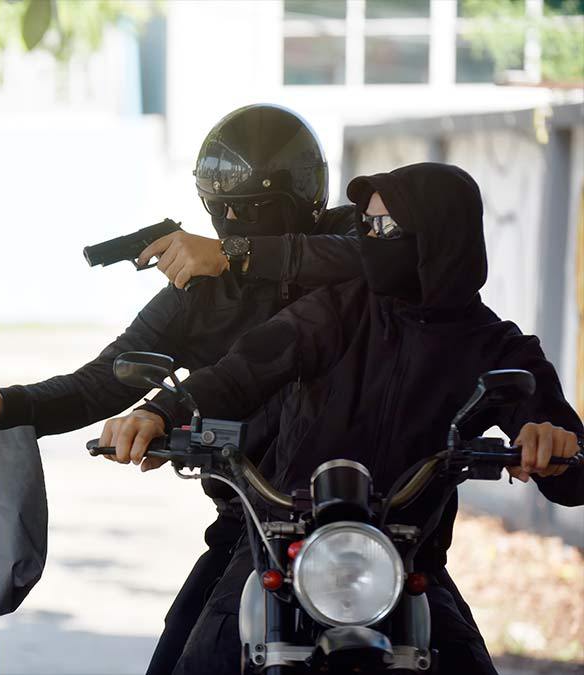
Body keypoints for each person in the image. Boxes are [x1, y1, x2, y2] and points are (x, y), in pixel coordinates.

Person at [105, 163, 584, 674]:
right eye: (365, 226)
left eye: (384, 228)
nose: (368, 240)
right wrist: (160, 411)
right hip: (283, 548)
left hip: (404, 560)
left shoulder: (498, 347)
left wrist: (552, 443)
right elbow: (239, 373)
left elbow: (571, 466)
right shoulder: (336, 309)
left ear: (439, 238)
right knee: (203, 657)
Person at [0, 103, 365, 672]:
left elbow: (401, 263)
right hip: (254, 527)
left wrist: (238, 257)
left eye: (257, 212)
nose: (238, 226)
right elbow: (100, 381)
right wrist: (8, 402)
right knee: (183, 657)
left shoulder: (350, 252)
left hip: (375, 526)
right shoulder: (201, 290)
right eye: (231, 215)